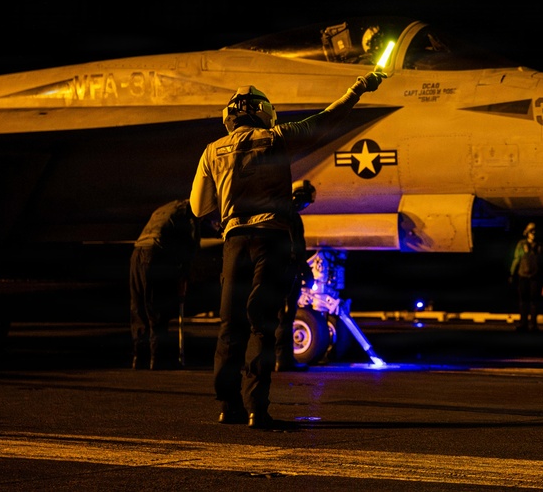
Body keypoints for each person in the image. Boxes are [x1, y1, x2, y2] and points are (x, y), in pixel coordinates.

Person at [190, 73, 384, 429]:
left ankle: (227, 405)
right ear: (263, 111)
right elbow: (327, 120)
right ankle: (256, 409)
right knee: (262, 326)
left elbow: (199, 207)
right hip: (271, 240)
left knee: (230, 326)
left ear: (229, 116)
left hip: (234, 242)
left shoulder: (211, 150)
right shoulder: (277, 137)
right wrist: (357, 88)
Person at [129, 199, 201, 370]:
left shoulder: (168, 207)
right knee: (156, 309)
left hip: (137, 252)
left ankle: (139, 358)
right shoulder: (190, 211)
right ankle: (157, 359)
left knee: (139, 308)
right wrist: (186, 271)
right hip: (154, 253)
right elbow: (191, 244)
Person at [275, 179, 317, 372]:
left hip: (279, 272)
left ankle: (277, 358)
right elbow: (296, 249)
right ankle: (283, 360)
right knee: (285, 317)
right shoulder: (290, 217)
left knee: (280, 317)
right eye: (305, 200)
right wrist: (305, 272)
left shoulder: (280, 214)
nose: (306, 205)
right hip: (287, 274)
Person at [509, 222, 543, 332]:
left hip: (534, 276)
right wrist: (512, 273)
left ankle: (533, 325)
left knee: (534, 302)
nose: (533, 233)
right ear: (527, 233)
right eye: (531, 231)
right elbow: (516, 259)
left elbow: (542, 261)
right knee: (523, 301)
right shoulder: (521, 244)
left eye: (534, 231)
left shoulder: (539, 245)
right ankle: (523, 324)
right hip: (523, 276)